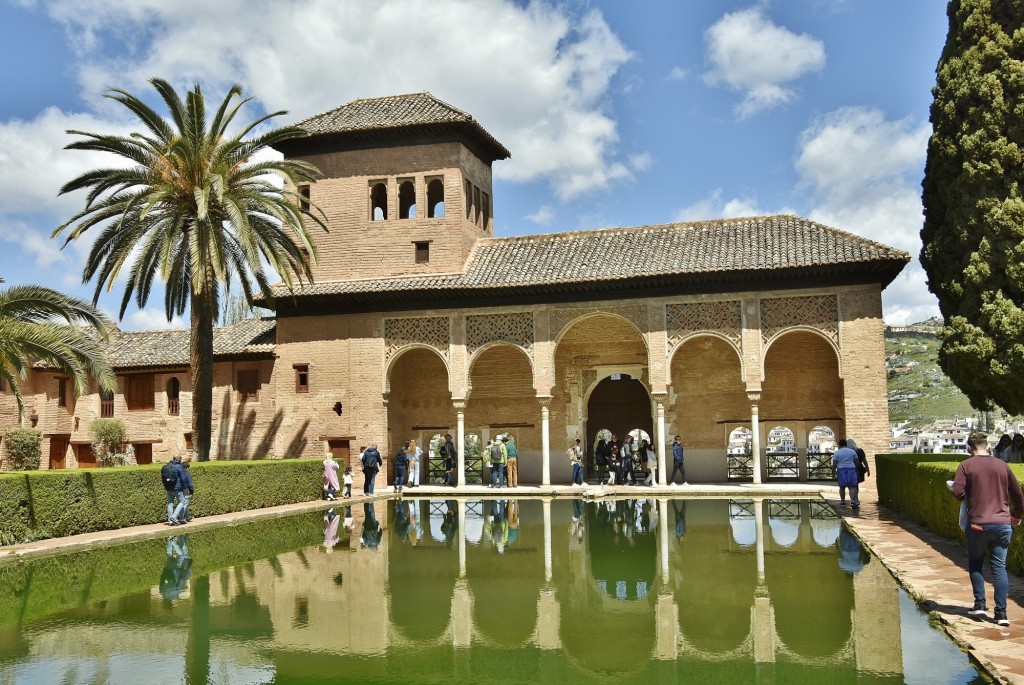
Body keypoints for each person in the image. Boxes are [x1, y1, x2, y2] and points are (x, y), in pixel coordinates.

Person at [951, 431, 1024, 626]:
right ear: (988, 446)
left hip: (977, 524)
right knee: (999, 567)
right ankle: (1001, 614)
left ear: (969, 448)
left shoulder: (966, 465)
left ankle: (980, 604)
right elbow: (1018, 495)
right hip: (1002, 524)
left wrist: (962, 494)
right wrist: (1016, 515)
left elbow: (958, 492)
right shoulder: (1002, 465)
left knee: (976, 562)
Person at [831, 439, 861, 508]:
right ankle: (853, 500)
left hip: (841, 470)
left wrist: (833, 473)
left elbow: (834, 464)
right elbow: (856, 461)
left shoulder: (837, 453)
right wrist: (856, 469)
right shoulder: (852, 451)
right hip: (851, 469)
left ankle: (842, 501)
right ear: (846, 444)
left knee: (842, 487)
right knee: (852, 486)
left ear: (839, 445)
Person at [161, 454, 186, 525]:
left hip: (168, 487)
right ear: (179, 460)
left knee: (170, 503)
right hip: (177, 488)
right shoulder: (179, 466)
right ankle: (174, 517)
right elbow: (183, 478)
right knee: (182, 501)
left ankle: (170, 520)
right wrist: (185, 487)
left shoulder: (167, 466)